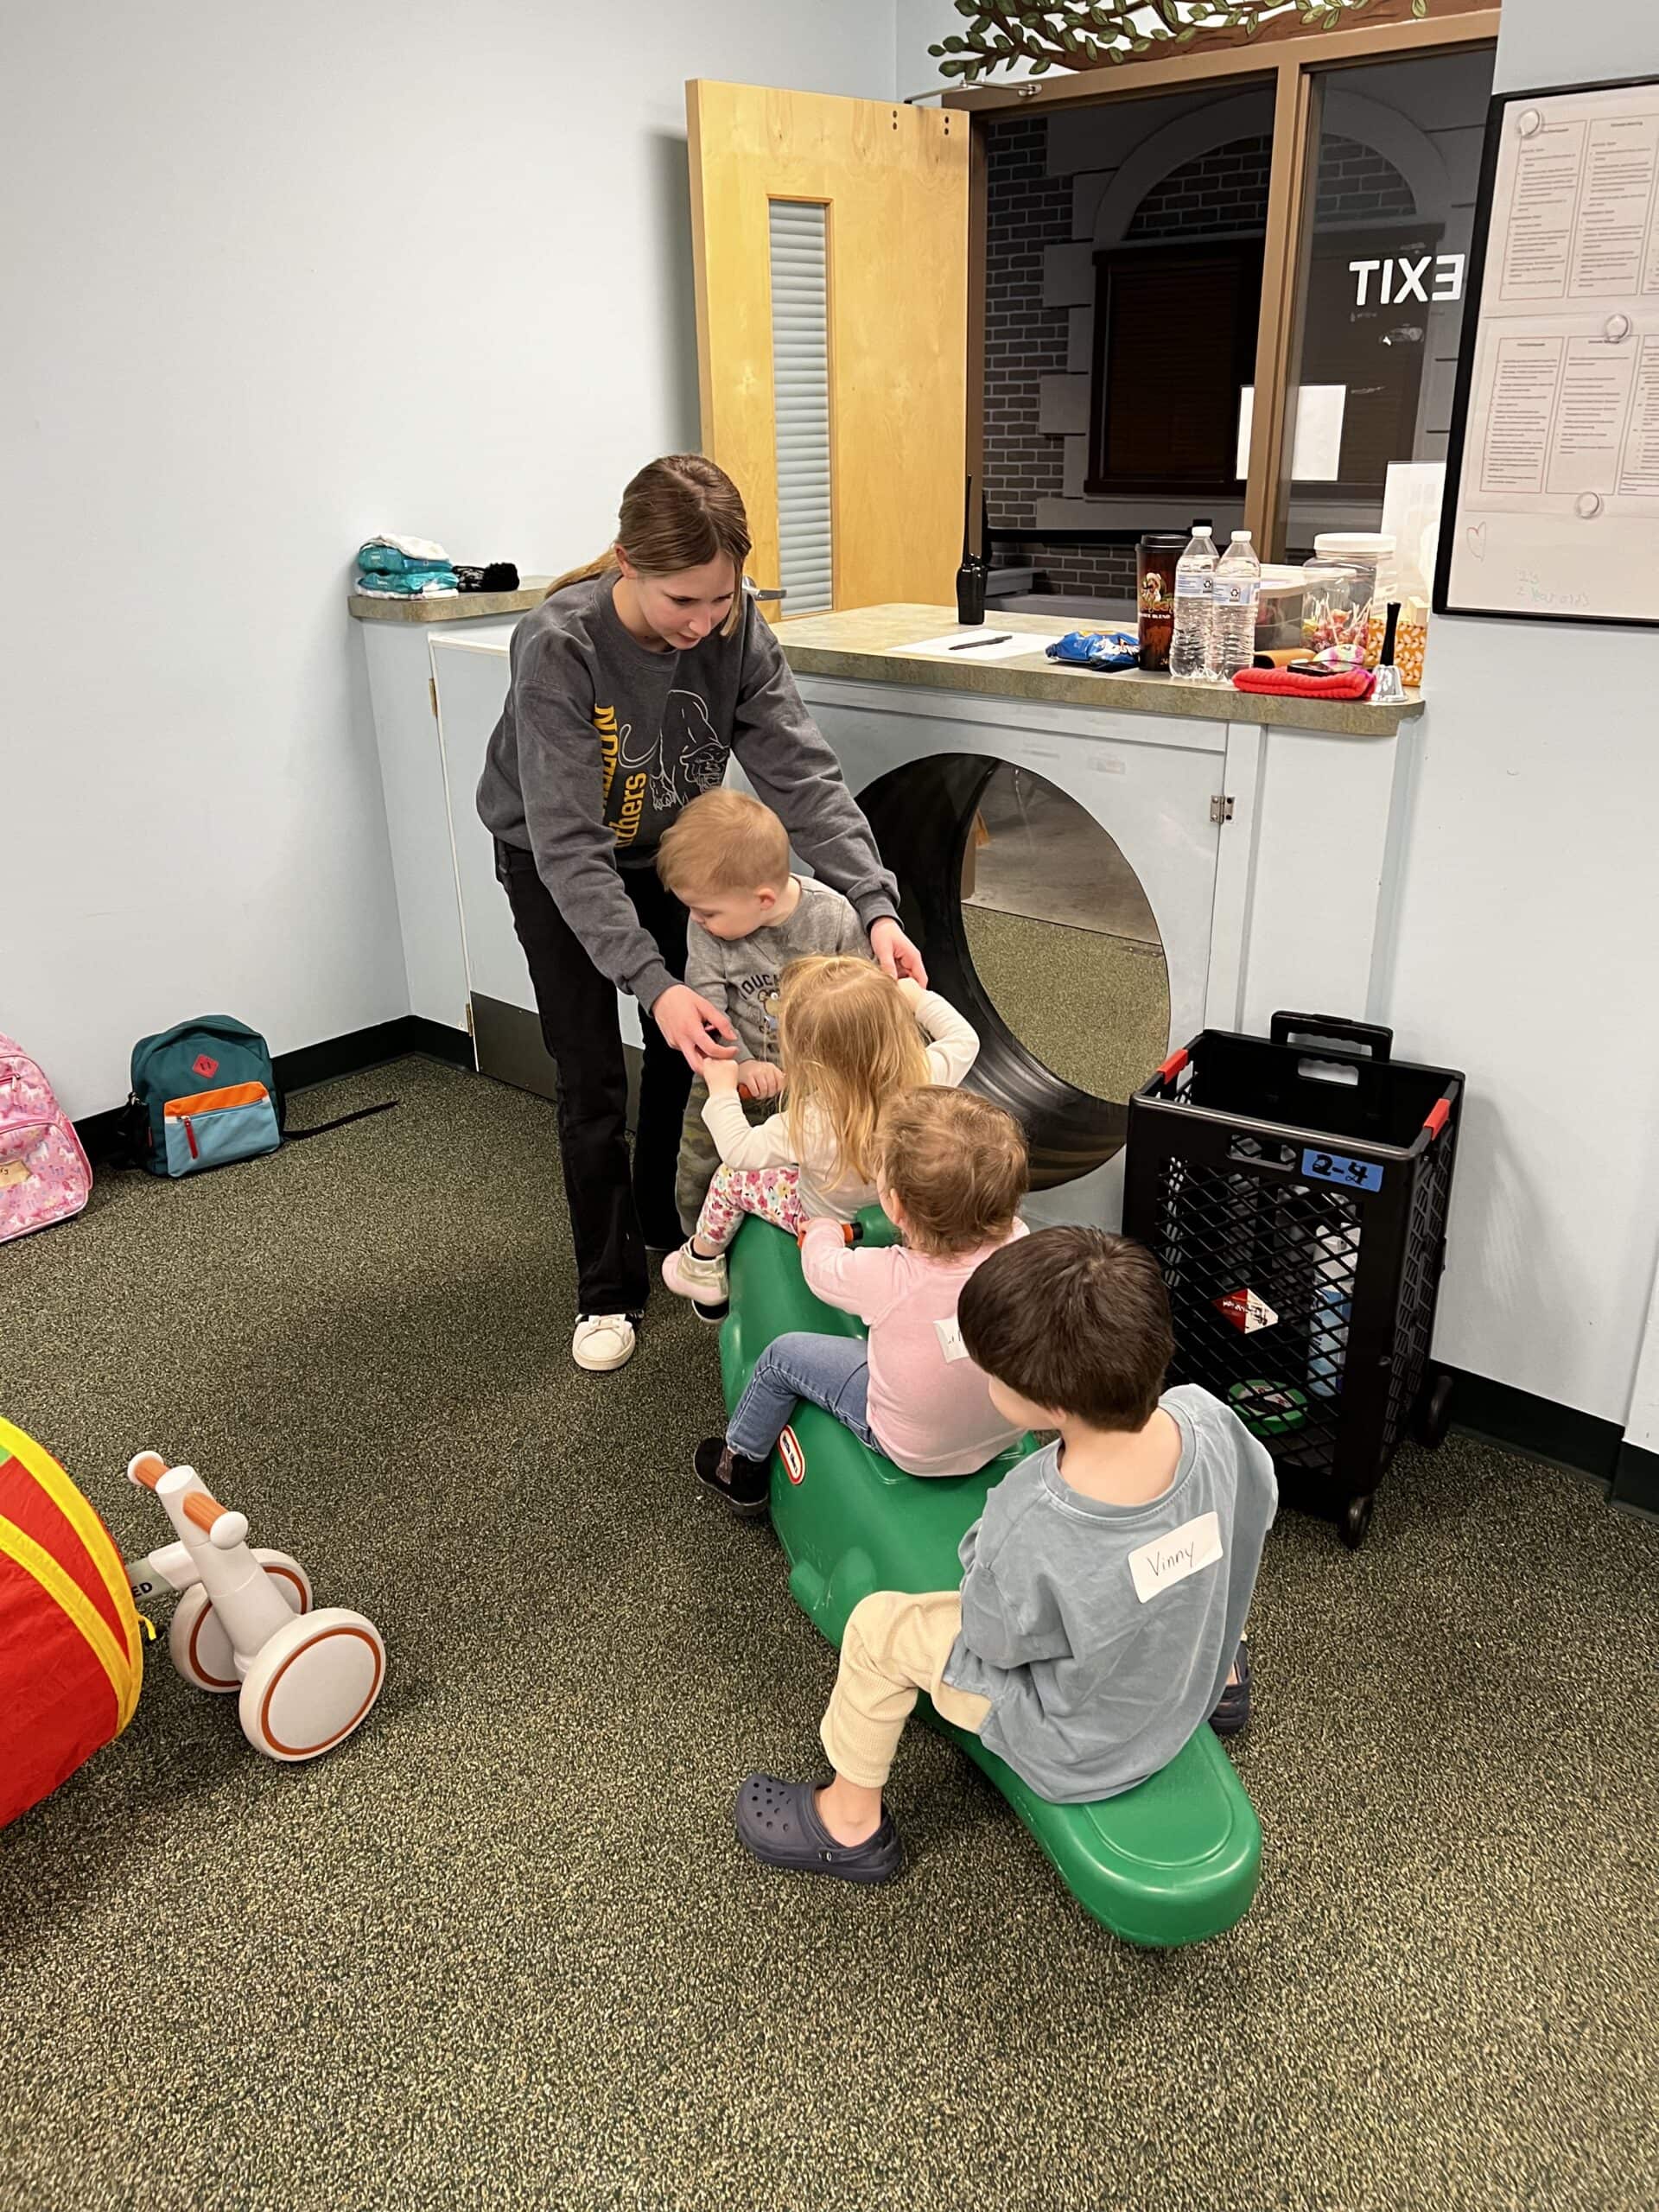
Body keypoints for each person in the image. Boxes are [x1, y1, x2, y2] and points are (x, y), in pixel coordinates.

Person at [477, 454, 925, 1375]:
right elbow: (569, 845)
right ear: (627, 563)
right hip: (555, 861)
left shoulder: (736, 625)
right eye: (684, 600)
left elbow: (803, 775)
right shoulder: (559, 644)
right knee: (591, 1076)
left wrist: (876, 906)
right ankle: (606, 1289)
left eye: (722, 599)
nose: (703, 623)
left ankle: (662, 1222)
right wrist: (653, 982)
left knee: (692, 1049)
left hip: (673, 856)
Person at [732, 1226, 1278, 1885]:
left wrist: (982, 1549)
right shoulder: (1208, 1418)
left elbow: (993, 1637)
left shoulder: (1032, 1509)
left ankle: (848, 1823)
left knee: (878, 1632)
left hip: (1072, 1743)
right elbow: (1258, 1505)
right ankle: (1225, 1680)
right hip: (1190, 1677)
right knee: (1222, 1535)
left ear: (1048, 1405)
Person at [694, 1087, 1031, 1514]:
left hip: (912, 1447)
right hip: (1005, 1427)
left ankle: (738, 1468)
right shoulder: (1022, 1244)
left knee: (781, 1359)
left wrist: (823, 1229)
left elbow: (821, 1270)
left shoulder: (888, 1276)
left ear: (895, 1207)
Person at [658, 960, 977, 1311]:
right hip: (904, 1218)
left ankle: (700, 1266)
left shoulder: (811, 1121)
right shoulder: (927, 1074)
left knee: (730, 1178)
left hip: (830, 1224)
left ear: (811, 1060)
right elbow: (966, 1039)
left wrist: (721, 1091)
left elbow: (740, 1150)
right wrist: (918, 998)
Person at [655, 787, 868, 1249]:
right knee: (699, 1163)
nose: (696, 919)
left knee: (805, 1168)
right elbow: (706, 1004)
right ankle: (699, 1246)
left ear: (764, 899)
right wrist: (741, 1063)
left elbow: (861, 1005)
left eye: (707, 912)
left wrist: (822, 1074)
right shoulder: (707, 927)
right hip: (729, 1076)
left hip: (815, 1087)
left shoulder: (833, 918)